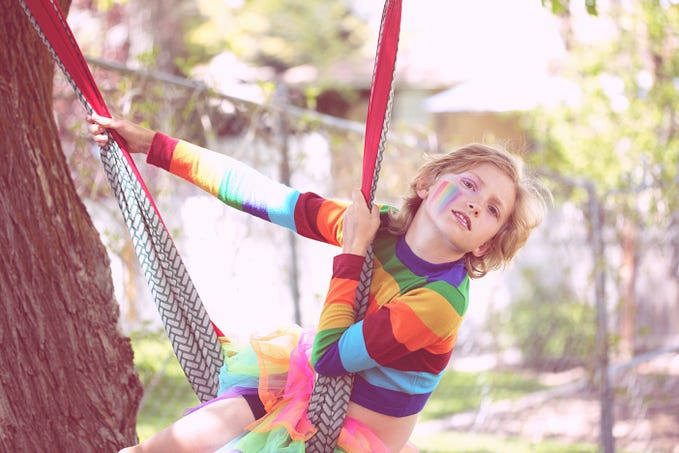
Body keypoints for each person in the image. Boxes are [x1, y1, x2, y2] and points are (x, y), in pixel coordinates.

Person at [88, 112, 548, 452]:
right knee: (176, 439)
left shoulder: (439, 303)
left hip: (346, 439)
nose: (474, 204)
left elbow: (331, 358)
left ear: (485, 246)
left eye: (492, 210)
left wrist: (352, 251)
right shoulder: (378, 227)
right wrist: (152, 145)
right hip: (299, 395)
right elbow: (266, 197)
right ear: (427, 183)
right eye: (468, 184)